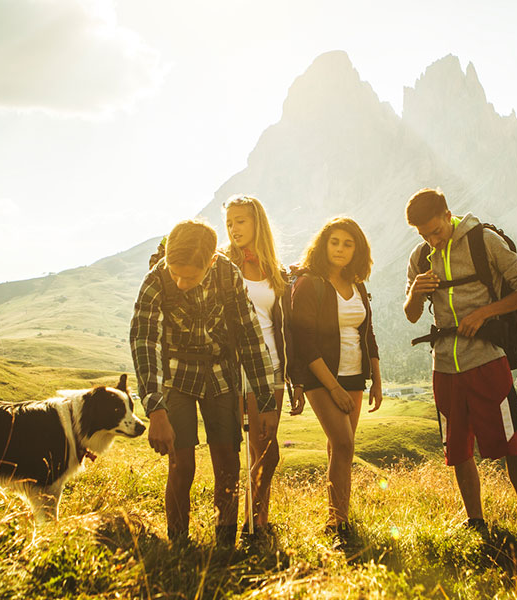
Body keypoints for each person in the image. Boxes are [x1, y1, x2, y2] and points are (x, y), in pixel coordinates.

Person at [401, 188, 517, 538]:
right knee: (456, 447)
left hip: (487, 360)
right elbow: (410, 316)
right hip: (444, 367)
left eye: (435, 231)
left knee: (511, 438)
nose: (432, 240)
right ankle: (475, 521)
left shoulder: (484, 241)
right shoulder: (421, 256)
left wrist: (484, 313)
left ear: (447, 213)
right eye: (423, 235)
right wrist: (415, 292)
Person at [130, 218, 276, 548]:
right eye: (175, 273)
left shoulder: (228, 274)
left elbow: (251, 336)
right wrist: (155, 410)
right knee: (181, 464)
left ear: (210, 262)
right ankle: (179, 546)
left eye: (190, 276)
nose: (180, 282)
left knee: (227, 462)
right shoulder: (156, 280)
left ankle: (224, 545)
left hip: (222, 373)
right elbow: (144, 342)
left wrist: (265, 401)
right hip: (177, 377)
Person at [289, 216, 382, 544]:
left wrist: (377, 380)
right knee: (344, 444)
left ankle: (338, 514)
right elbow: (304, 341)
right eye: (335, 242)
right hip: (321, 376)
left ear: (357, 249)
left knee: (338, 448)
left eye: (348, 243)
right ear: (323, 244)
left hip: (355, 376)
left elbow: (367, 332)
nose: (341, 249)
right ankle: (336, 524)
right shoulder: (309, 283)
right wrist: (333, 387)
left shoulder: (357, 284)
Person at [221, 194, 305, 542]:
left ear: (258, 223)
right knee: (254, 452)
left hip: (272, 370)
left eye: (240, 220)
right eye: (229, 222)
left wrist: (295, 380)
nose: (234, 228)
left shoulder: (275, 271)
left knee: (264, 452)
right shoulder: (221, 266)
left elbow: (286, 329)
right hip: (238, 370)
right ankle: (246, 526)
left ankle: (259, 521)